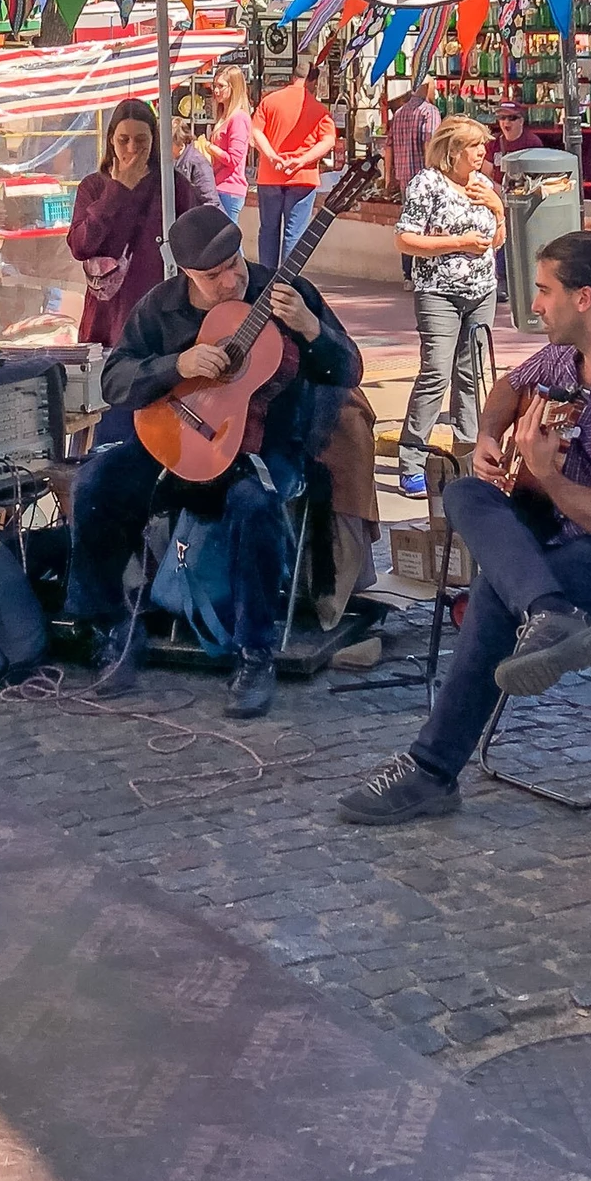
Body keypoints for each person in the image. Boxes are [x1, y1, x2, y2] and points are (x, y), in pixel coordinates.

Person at [338, 230, 591, 824]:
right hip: (567, 527)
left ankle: (432, 769)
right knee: (464, 491)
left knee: (496, 590)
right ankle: (550, 611)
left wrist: (544, 474)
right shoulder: (564, 357)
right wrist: (488, 439)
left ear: (584, 298)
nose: (533, 304)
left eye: (543, 290)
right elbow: (508, 389)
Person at [67, 202, 363, 720]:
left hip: (263, 448)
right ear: (186, 274)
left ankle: (255, 654)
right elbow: (115, 381)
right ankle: (113, 624)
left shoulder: (283, 292)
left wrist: (313, 330)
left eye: (234, 264)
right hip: (175, 442)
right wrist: (174, 364)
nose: (230, 280)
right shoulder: (160, 307)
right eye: (213, 274)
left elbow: (349, 370)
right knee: (96, 485)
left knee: (256, 506)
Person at [393, 118, 503, 497]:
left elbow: (495, 242)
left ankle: (468, 459)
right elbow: (405, 240)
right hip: (438, 291)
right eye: (474, 147)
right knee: (436, 373)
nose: (481, 154)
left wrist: (499, 209)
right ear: (453, 151)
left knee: (471, 376)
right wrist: (458, 243)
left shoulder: (483, 185)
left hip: (481, 291)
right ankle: (412, 461)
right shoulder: (427, 183)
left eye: (482, 147)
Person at [66, 98, 217, 348]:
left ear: (153, 141)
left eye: (141, 141)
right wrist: (118, 190)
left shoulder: (172, 186)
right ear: (111, 140)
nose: (132, 149)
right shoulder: (93, 187)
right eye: (123, 140)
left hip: (161, 313)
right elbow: (81, 246)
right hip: (108, 316)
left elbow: (196, 245)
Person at [250, 68, 337, 270]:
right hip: (303, 177)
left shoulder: (269, 101)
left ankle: (266, 277)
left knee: (269, 230)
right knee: (294, 233)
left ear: (292, 77)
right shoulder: (318, 109)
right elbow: (328, 141)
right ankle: (287, 282)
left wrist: (271, 155)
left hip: (270, 176)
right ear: (312, 81)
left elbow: (255, 133)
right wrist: (301, 161)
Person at [205, 65, 254, 224]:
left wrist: (211, 148)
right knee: (222, 241)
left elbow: (234, 159)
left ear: (233, 88)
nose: (216, 90)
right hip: (219, 185)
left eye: (221, 86)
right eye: (215, 86)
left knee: (227, 241)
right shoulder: (223, 116)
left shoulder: (238, 118)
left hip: (230, 188)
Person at [387, 74, 442, 197]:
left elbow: (389, 147)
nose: (435, 93)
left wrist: (388, 179)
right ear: (427, 88)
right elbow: (430, 143)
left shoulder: (399, 113)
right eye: (434, 88)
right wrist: (433, 175)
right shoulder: (430, 111)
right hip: (423, 179)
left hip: (403, 179)